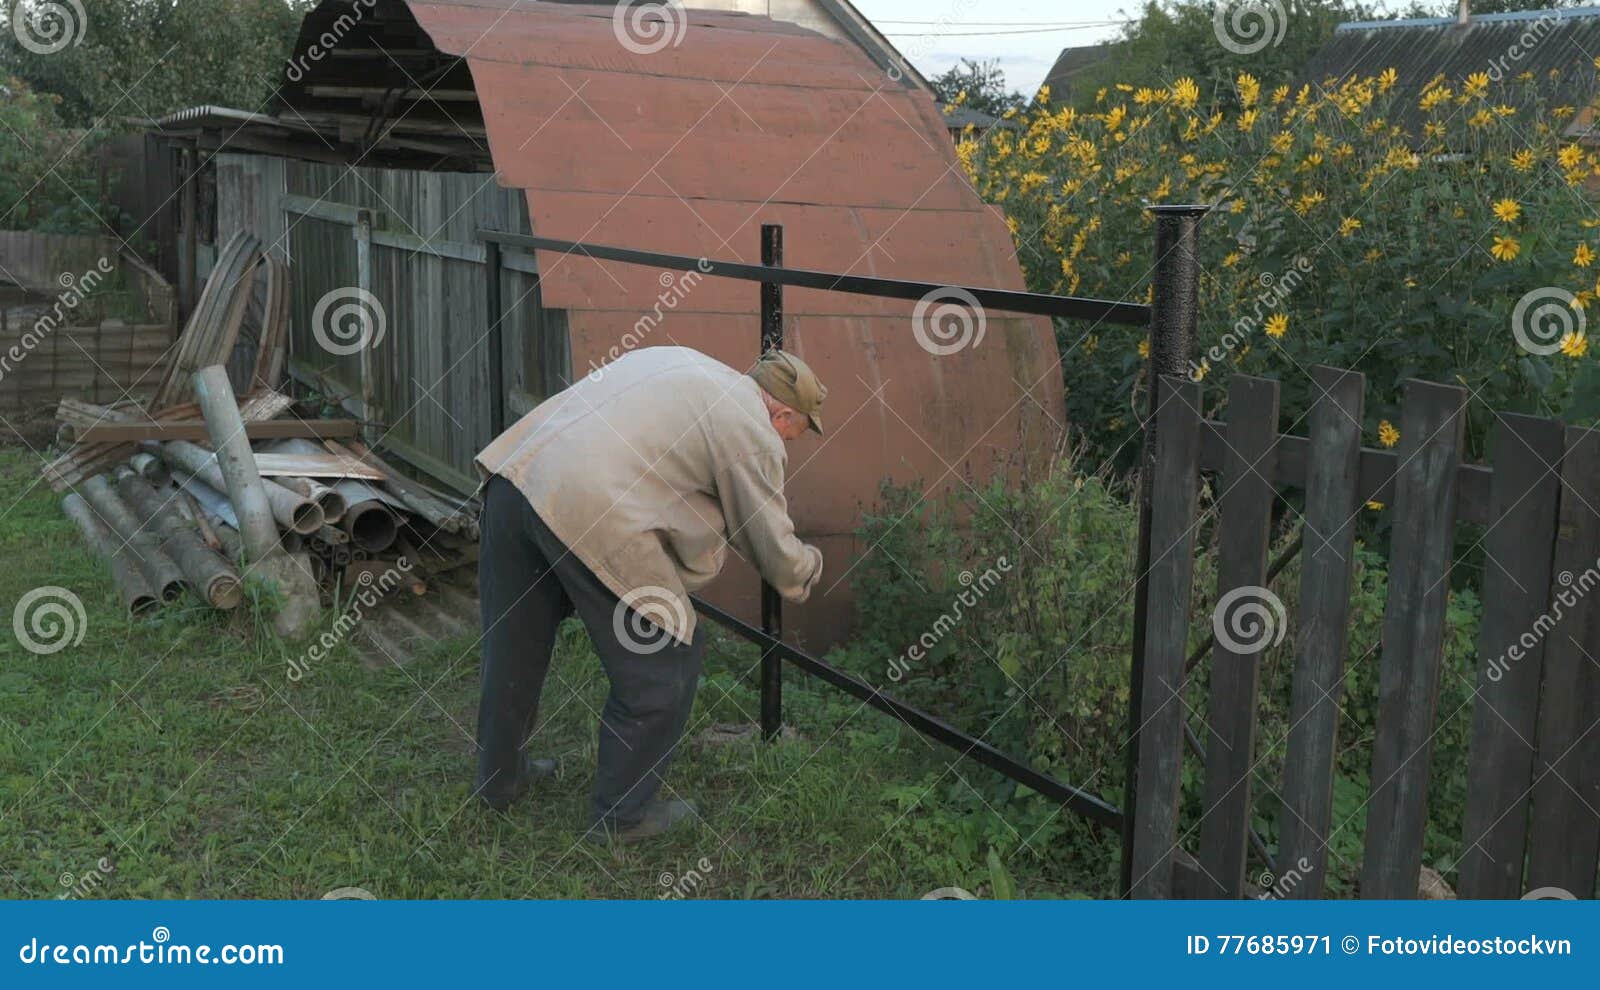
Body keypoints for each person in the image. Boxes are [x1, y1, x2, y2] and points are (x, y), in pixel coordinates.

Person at [472, 345, 827, 842]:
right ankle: (623, 816)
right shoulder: (752, 430)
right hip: (585, 505)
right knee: (665, 657)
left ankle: (499, 780)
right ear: (783, 413)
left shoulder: (684, 362)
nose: (791, 443)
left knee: (514, 644)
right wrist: (808, 568)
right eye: (798, 431)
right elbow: (767, 538)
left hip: (516, 478)